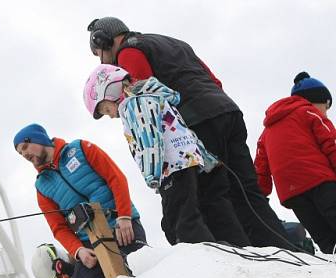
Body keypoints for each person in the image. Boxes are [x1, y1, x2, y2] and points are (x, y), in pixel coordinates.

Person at [86, 16, 290, 249]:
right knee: (247, 191)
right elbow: (214, 80)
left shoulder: (127, 52)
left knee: (212, 195)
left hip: (197, 119)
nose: (103, 61)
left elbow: (145, 98)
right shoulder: (173, 42)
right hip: (226, 110)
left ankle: (242, 254)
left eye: (98, 54)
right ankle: (281, 249)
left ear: (103, 40)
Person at [83, 64, 247, 245]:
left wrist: (152, 174)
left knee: (180, 222)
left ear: (114, 90)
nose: (111, 116)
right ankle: (236, 248)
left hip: (170, 167)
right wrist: (206, 159)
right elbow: (183, 131)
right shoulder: (156, 98)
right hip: (189, 161)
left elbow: (149, 138)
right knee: (197, 212)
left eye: (107, 109)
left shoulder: (133, 105)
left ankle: (205, 258)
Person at [13, 123, 146, 278]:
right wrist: (78, 251)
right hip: (89, 244)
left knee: (140, 269)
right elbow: (58, 227)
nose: (24, 155)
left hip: (121, 225)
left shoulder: (81, 149)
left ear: (38, 139)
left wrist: (125, 217)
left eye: (25, 147)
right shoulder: (42, 187)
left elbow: (116, 178)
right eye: (20, 153)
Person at [255, 72, 336, 254]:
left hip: (291, 194)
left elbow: (261, 167)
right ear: (316, 101)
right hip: (320, 181)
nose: (326, 111)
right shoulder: (309, 113)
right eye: (327, 105)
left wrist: (259, 196)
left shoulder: (266, 131)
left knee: (323, 236)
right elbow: (331, 143)